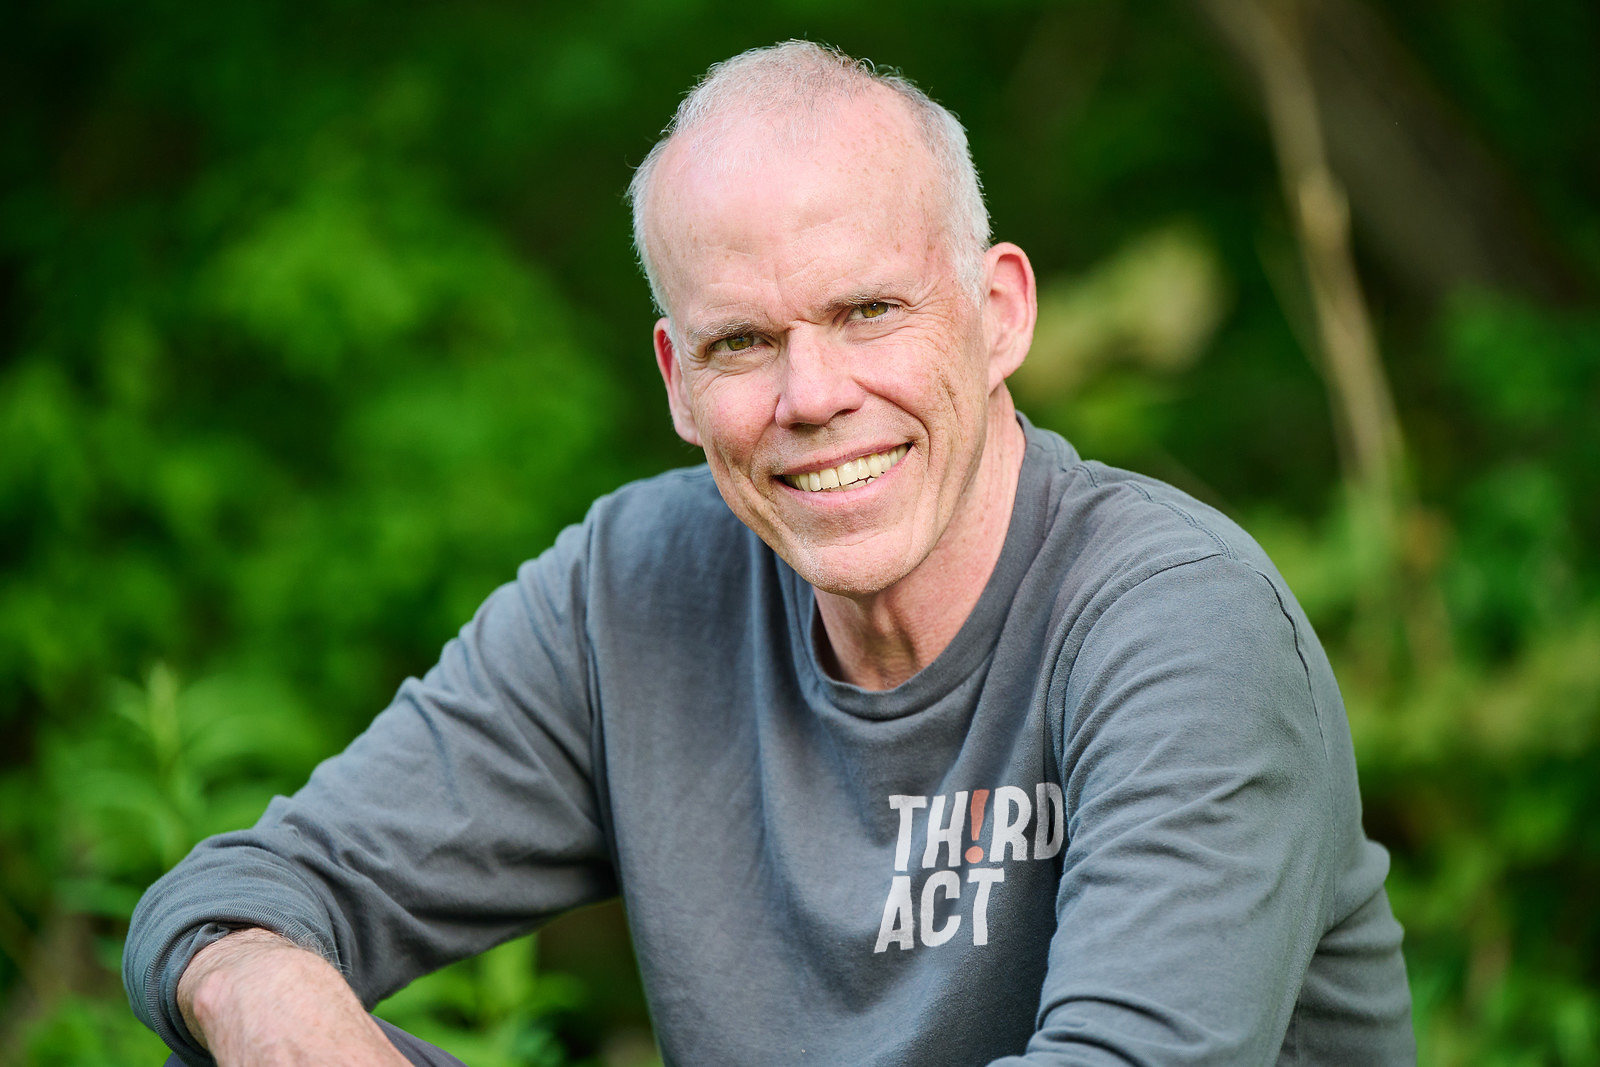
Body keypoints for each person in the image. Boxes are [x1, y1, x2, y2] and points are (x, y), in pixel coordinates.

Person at [125, 41, 1416, 1066]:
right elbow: (236, 897)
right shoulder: (636, 591)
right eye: (742, 343)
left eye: (869, 311)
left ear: (999, 313)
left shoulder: (1179, 626)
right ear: (678, 382)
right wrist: (266, 995)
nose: (812, 395)